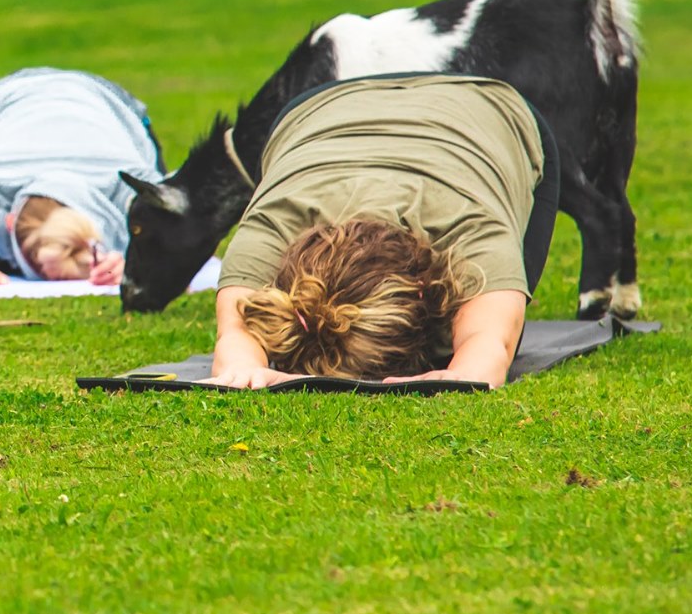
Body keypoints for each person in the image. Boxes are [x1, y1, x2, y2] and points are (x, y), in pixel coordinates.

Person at [204, 75, 559, 390]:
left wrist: (466, 369)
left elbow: (490, 346)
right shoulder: (273, 225)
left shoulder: (469, 227)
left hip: (489, 107)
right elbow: (235, 336)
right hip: (322, 107)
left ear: (425, 291)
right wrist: (244, 368)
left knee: (493, 317)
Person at [0, 68, 163, 287]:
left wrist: (138, 265)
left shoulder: (127, 182)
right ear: (9, 221)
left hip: (113, 107)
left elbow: (187, 225)